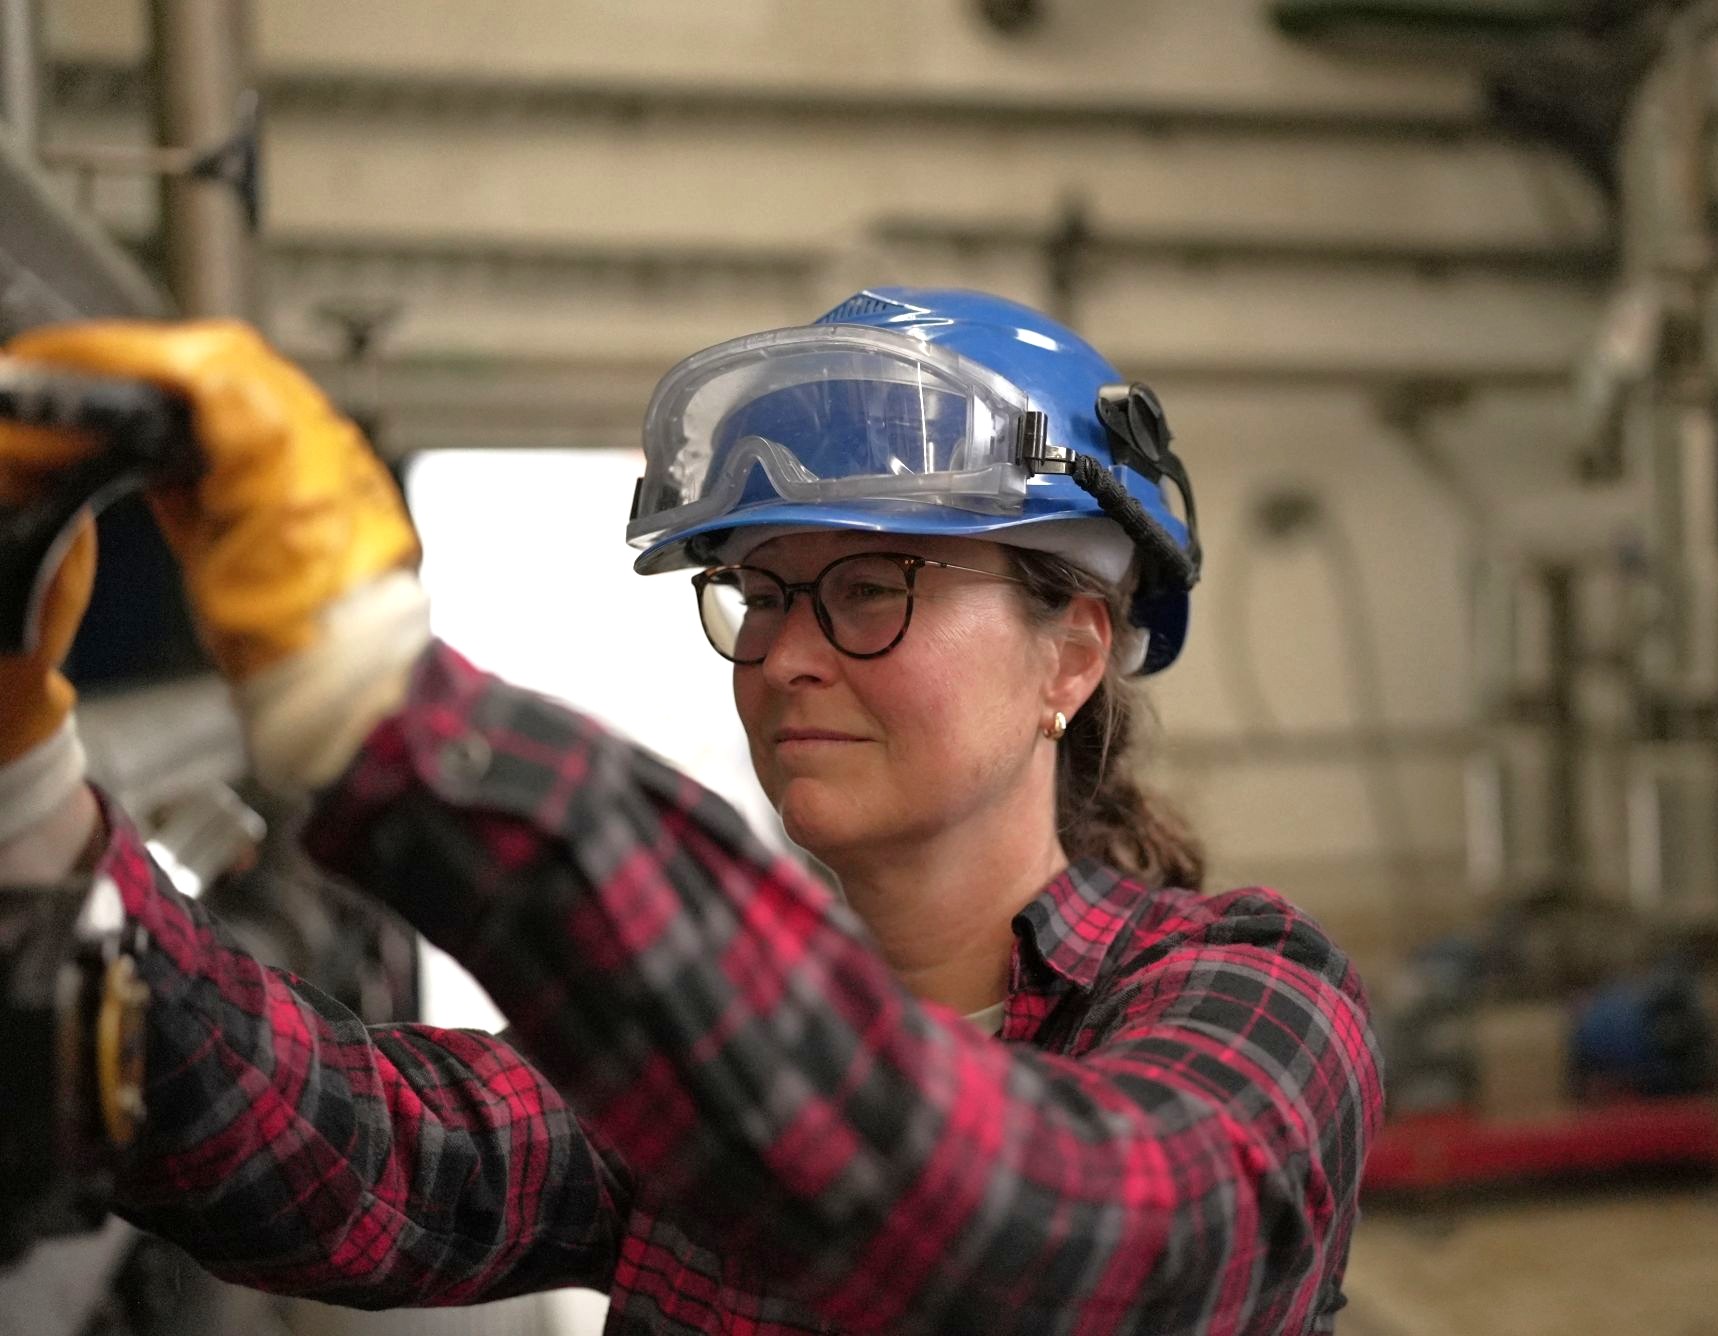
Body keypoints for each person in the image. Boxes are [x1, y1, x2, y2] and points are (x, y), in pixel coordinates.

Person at [0, 288, 1382, 1334]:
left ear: (1073, 653)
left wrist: (380, 703)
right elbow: (365, 1160)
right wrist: (31, 801)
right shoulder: (696, 1051)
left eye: (868, 587)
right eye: (763, 593)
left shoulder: (1256, 1001)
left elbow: (1037, 1240)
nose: (785, 653)